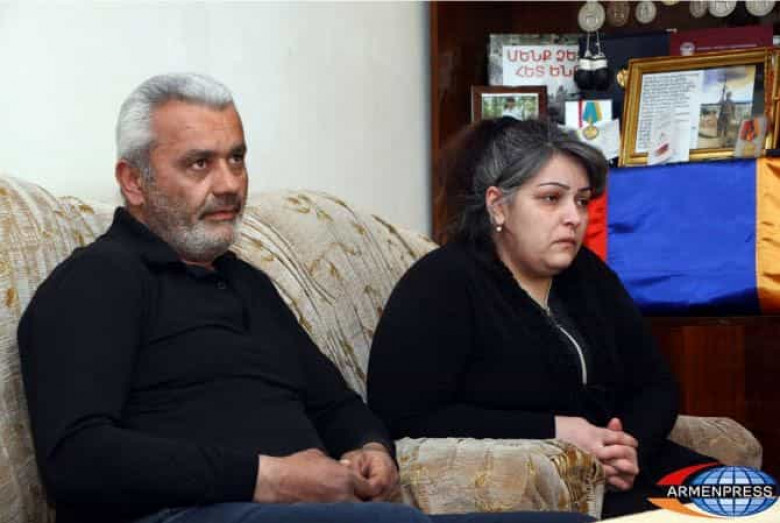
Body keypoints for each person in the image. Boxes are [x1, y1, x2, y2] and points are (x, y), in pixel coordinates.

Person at [18, 75, 593, 523]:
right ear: (134, 181)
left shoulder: (246, 281)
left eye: (237, 158)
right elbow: (77, 458)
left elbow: (336, 403)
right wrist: (268, 478)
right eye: (199, 163)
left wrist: (370, 449)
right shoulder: (97, 281)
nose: (229, 183)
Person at [367, 118, 715, 519]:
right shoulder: (442, 282)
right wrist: (557, 430)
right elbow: (406, 415)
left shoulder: (587, 274)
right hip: (548, 490)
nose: (574, 217)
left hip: (629, 467)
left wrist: (628, 445)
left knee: (749, 498)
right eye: (551, 198)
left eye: (581, 201)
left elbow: (655, 384)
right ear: (498, 206)